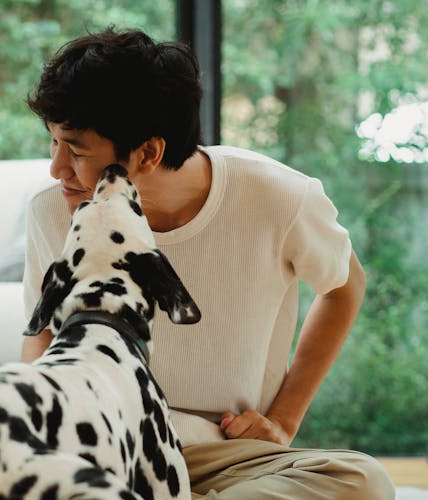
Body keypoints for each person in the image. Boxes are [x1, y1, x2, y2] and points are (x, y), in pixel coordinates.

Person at [20, 26, 395, 499]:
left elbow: (345, 285)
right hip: (106, 444)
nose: (56, 168)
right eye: (52, 143)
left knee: (360, 481)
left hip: (226, 450)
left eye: (74, 149)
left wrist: (283, 420)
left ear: (149, 153)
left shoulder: (279, 197)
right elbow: (42, 335)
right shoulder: (52, 209)